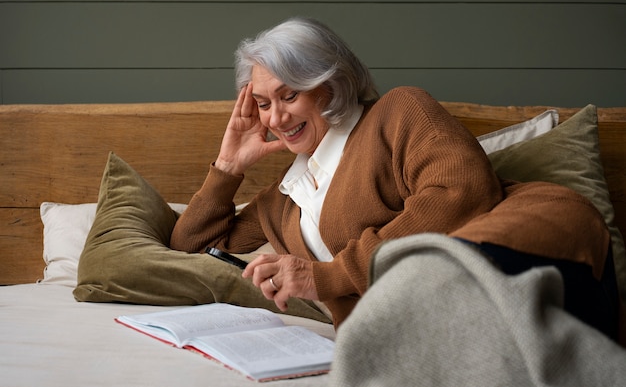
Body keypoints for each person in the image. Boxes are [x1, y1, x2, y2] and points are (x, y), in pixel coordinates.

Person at [170, 17, 619, 340]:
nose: (277, 117)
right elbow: (190, 246)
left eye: (290, 95)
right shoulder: (282, 202)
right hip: (420, 324)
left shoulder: (397, 113)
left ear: (331, 83)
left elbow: (461, 192)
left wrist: (326, 277)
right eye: (264, 104)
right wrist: (229, 166)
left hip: (523, 250)